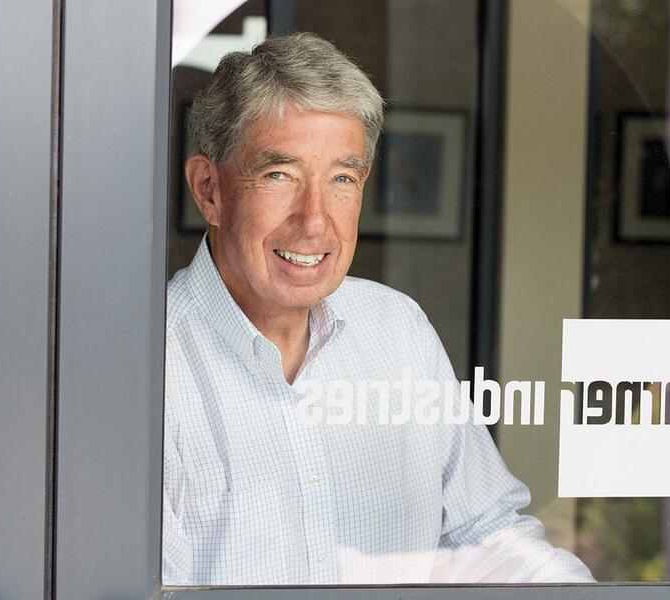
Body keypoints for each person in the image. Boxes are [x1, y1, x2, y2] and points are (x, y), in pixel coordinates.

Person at [163, 32, 593, 586]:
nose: (315, 221)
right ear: (209, 190)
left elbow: (483, 534)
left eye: (342, 178)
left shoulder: (398, 329)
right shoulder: (148, 365)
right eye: (279, 176)